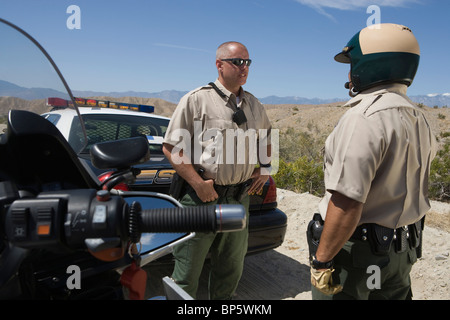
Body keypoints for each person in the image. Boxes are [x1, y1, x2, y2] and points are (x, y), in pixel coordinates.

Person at [308, 23, 437, 300]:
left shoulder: (363, 118)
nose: (349, 72)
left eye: (352, 63)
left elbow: (347, 202)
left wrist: (322, 261)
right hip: (401, 252)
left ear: (371, 63)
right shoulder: (419, 118)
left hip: (359, 258)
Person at [162, 41, 272, 300]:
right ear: (219, 65)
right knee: (187, 272)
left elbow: (268, 139)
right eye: (237, 61)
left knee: (230, 269)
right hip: (200, 199)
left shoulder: (254, 105)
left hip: (238, 199)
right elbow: (171, 147)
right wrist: (197, 182)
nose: (243, 67)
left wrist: (266, 168)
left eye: (247, 62)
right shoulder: (196, 100)